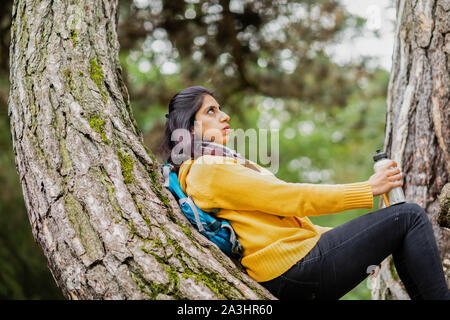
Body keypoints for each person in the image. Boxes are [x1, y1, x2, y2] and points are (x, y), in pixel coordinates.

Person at [160, 85, 450, 300]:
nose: (224, 116)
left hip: (294, 267)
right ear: (190, 126)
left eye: (220, 108)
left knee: (398, 223)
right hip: (291, 270)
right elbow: (291, 198)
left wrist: (358, 243)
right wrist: (369, 189)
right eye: (211, 111)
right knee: (408, 216)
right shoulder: (207, 168)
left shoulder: (221, 162)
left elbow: (288, 222)